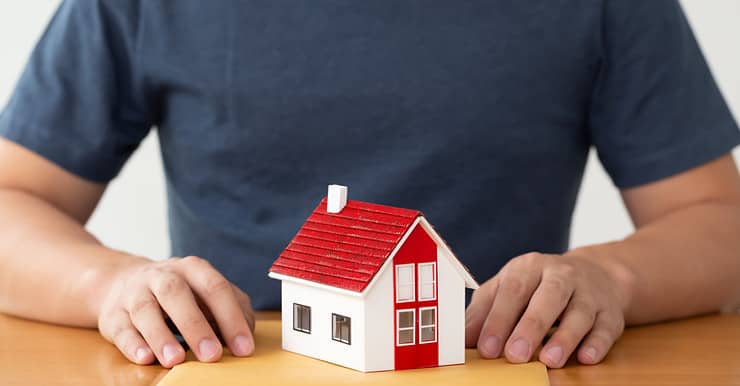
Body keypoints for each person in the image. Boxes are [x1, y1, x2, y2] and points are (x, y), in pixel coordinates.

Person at [1, 0, 739, 370]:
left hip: (502, 367)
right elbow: (12, 202)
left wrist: (611, 276)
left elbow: (718, 221)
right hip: (234, 365)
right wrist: (109, 286)